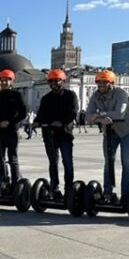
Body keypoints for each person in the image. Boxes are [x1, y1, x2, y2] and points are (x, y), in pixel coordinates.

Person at [86, 70, 129, 203]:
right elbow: (87, 117)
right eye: (99, 82)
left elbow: (119, 113)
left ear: (111, 83)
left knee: (126, 162)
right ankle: (107, 193)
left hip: (127, 130)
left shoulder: (121, 93)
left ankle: (125, 194)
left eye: (105, 82)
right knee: (108, 161)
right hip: (109, 131)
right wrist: (100, 119)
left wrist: (98, 115)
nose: (101, 85)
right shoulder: (95, 96)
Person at [34, 69, 79, 201]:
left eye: (56, 80)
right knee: (53, 162)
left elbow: (73, 112)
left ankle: (69, 189)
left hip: (65, 133)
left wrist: (62, 122)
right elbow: (41, 114)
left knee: (67, 162)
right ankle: (54, 189)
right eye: (51, 81)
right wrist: (36, 122)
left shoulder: (70, 95)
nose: (53, 83)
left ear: (63, 81)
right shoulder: (46, 98)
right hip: (49, 134)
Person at [0, 69, 26, 188]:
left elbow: (22, 113)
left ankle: (15, 184)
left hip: (12, 131)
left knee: (12, 158)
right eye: (2, 80)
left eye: (7, 80)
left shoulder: (17, 95)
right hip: (0, 131)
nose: (4, 82)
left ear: (11, 81)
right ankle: (2, 181)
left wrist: (10, 122)